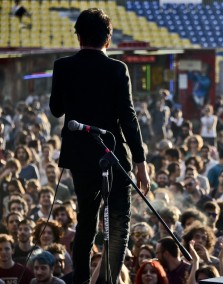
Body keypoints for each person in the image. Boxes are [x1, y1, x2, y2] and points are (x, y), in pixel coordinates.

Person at [49, 8, 150, 284]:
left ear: (79, 37)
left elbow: (56, 109)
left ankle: (82, 280)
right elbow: (128, 118)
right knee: (118, 224)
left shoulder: (63, 66)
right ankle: (109, 280)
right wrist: (141, 164)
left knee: (86, 221)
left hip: (80, 156)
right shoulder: (117, 69)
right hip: (113, 154)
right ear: (109, 39)